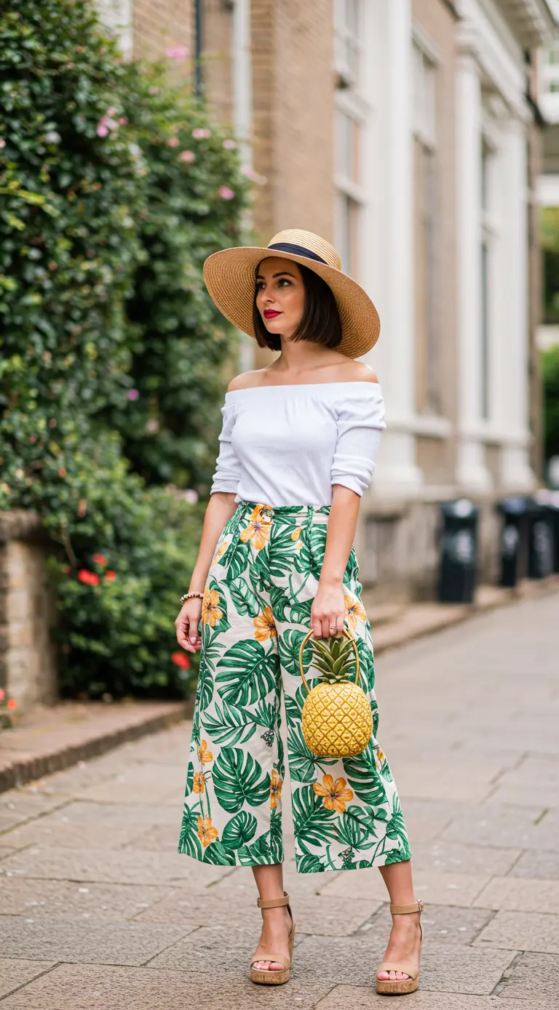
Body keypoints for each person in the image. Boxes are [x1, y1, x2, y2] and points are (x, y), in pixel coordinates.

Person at [175, 229, 423, 996]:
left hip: (313, 558)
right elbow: (224, 488)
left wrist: (328, 583)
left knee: (340, 737)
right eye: (262, 284)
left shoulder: (355, 380)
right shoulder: (245, 387)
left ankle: (405, 918)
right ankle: (273, 916)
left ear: (316, 294)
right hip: (239, 564)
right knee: (238, 742)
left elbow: (348, 487)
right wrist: (196, 587)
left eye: (284, 282)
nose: (268, 297)